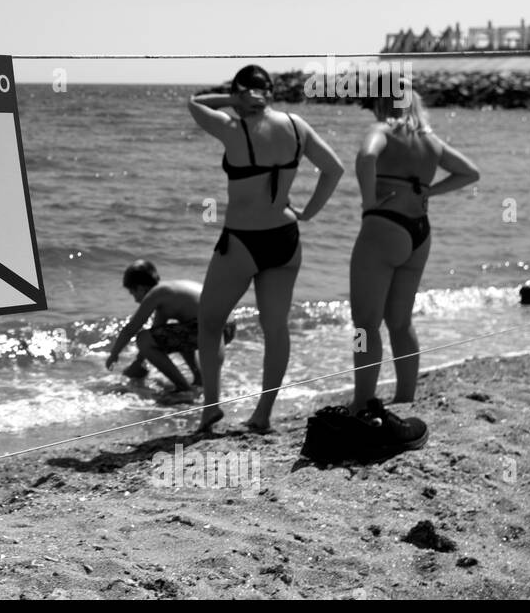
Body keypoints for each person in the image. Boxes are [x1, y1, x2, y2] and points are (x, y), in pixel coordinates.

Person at [187, 65, 345, 432]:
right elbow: (334, 169)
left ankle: (211, 407)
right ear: (271, 92)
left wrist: (231, 98)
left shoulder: (232, 127)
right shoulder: (295, 126)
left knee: (209, 324)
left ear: (244, 93)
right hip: (286, 238)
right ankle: (262, 415)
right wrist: (308, 212)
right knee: (275, 328)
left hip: (243, 241)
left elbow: (193, 104)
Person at [347, 89, 479, 445]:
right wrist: (429, 194)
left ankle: (362, 401)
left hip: (383, 226)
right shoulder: (429, 139)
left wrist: (368, 198)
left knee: (365, 325)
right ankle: (406, 396)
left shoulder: (383, 131)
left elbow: (365, 157)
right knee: (401, 321)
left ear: (382, 104)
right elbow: (470, 172)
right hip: (419, 232)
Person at [104, 260, 235, 401]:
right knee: (174, 334)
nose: (135, 300)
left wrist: (114, 354)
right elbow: (157, 336)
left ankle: (184, 389)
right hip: (227, 326)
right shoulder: (168, 292)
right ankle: (199, 380)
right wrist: (139, 362)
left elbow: (131, 329)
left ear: (140, 288)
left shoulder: (156, 294)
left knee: (142, 338)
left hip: (210, 327)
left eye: (133, 293)